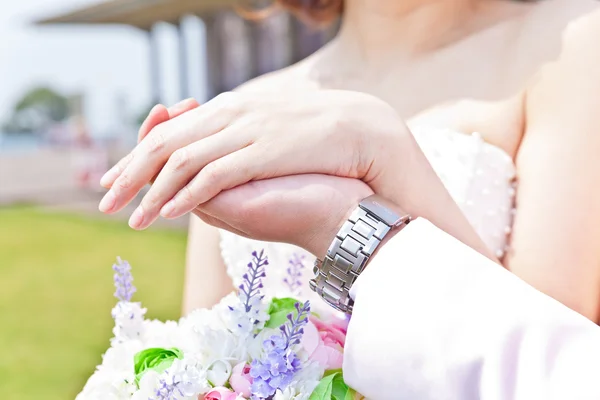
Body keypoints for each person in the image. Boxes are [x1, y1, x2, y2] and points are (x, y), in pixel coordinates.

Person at [96, 2, 600, 397]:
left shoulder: (572, 43)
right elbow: (207, 355)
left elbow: (549, 365)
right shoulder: (251, 105)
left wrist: (382, 151)